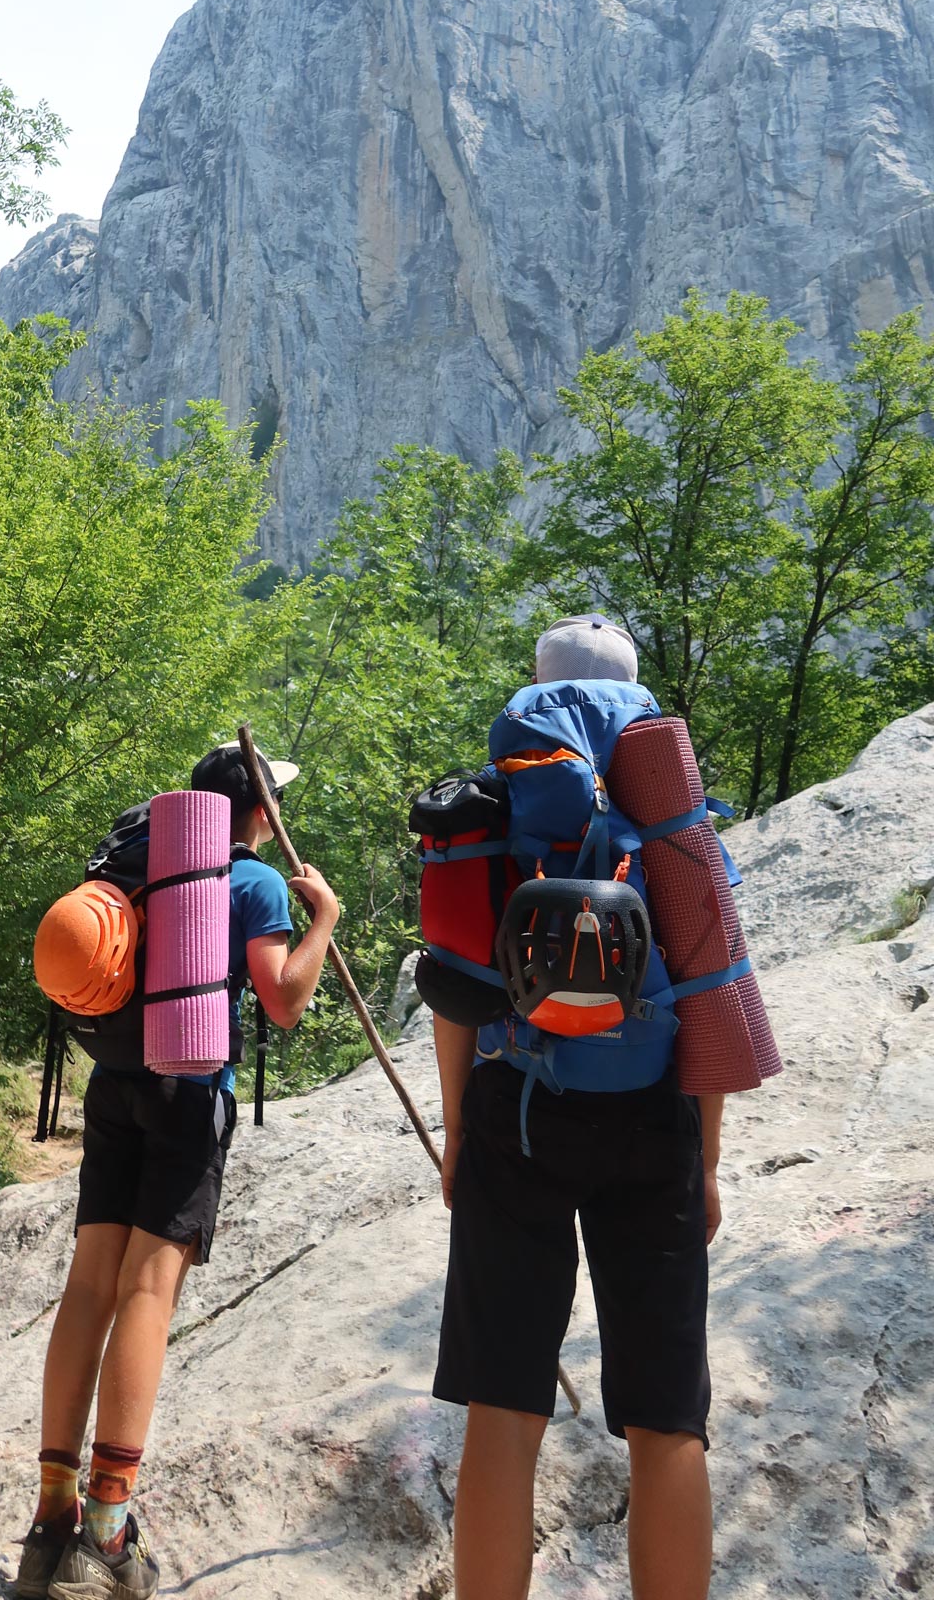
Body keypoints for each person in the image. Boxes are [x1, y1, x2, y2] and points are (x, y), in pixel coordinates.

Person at [433, 616, 725, 1600]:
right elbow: (710, 988)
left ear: (537, 687)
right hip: (650, 1117)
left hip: (516, 1105)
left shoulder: (503, 792)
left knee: (501, 1405)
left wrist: (456, 1129)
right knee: (666, 1420)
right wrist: (707, 1160)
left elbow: (457, 979)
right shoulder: (671, 810)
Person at [13, 742, 340, 1600]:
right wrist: (324, 922)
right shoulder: (254, 883)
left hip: (113, 1088)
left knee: (89, 1287)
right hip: (189, 1100)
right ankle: (108, 1535)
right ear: (261, 814)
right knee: (147, 1294)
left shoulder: (140, 860)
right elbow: (284, 1002)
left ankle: (49, 1524)